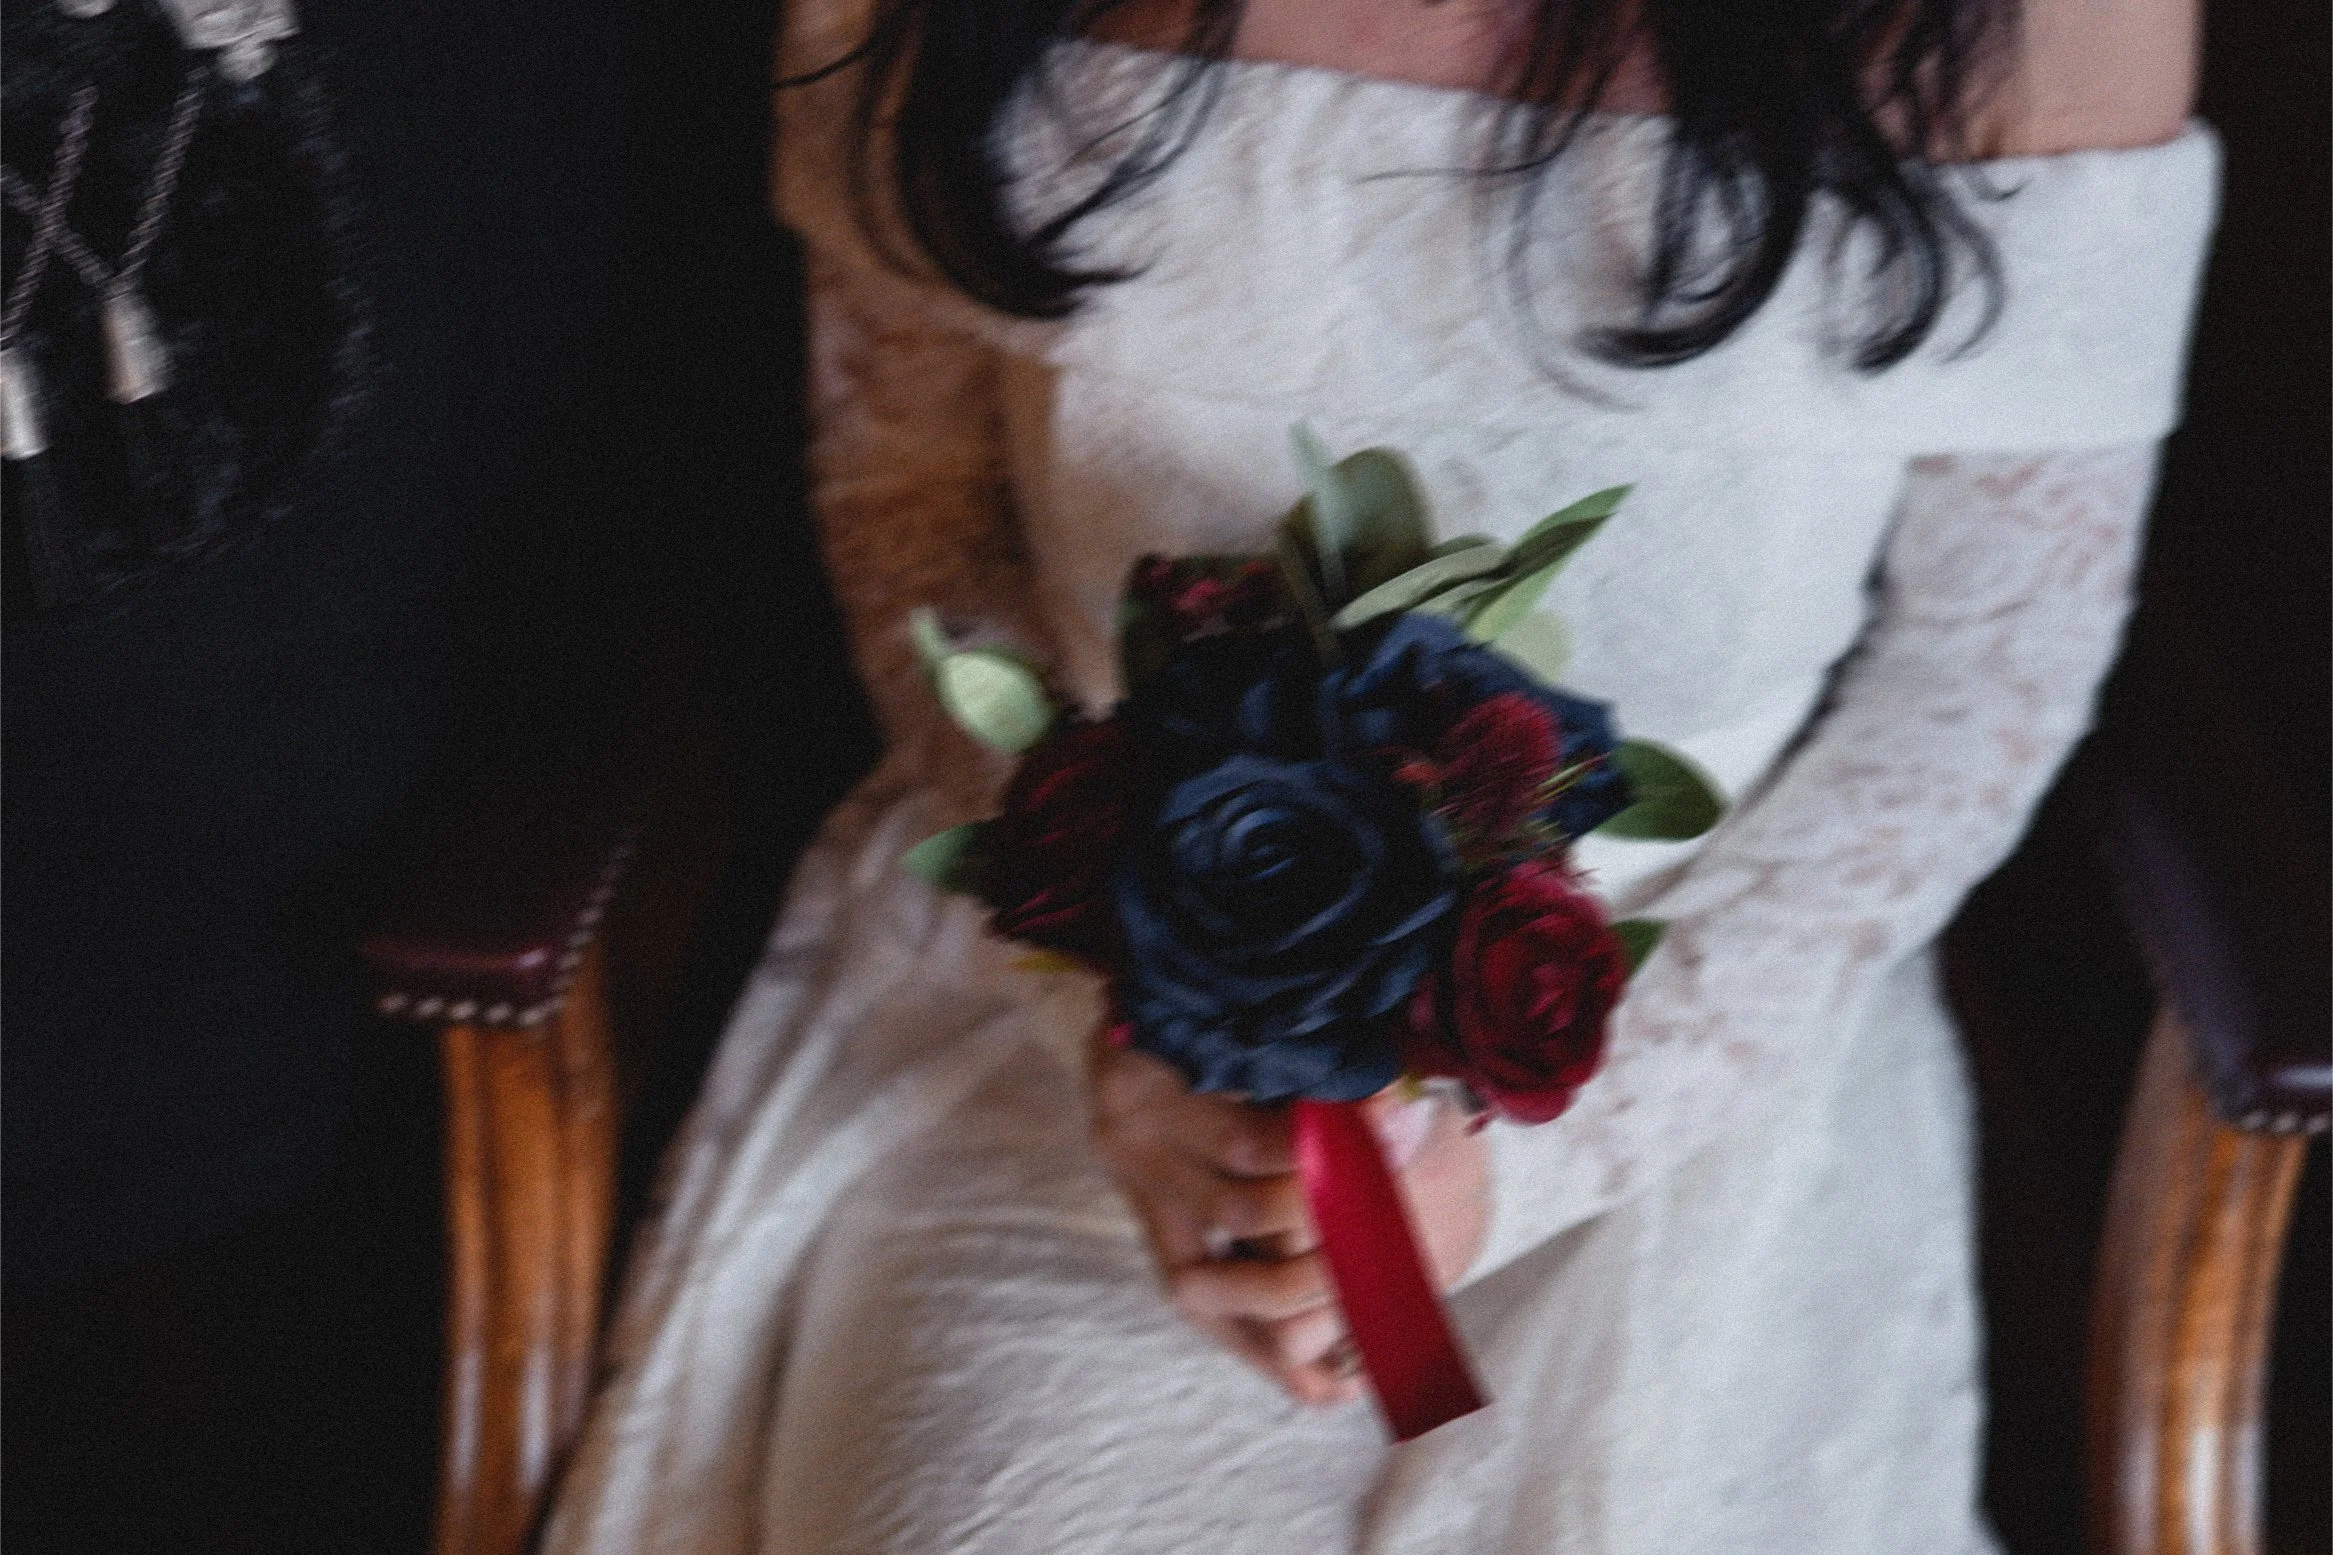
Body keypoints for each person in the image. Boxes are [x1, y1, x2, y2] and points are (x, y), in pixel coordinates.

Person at [547, 0, 2214, 1549]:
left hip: (1713, 1035)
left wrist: (1564, 1142)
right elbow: (916, 504)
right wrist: (1125, 1025)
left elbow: (1989, 658)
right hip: (1069, 1032)